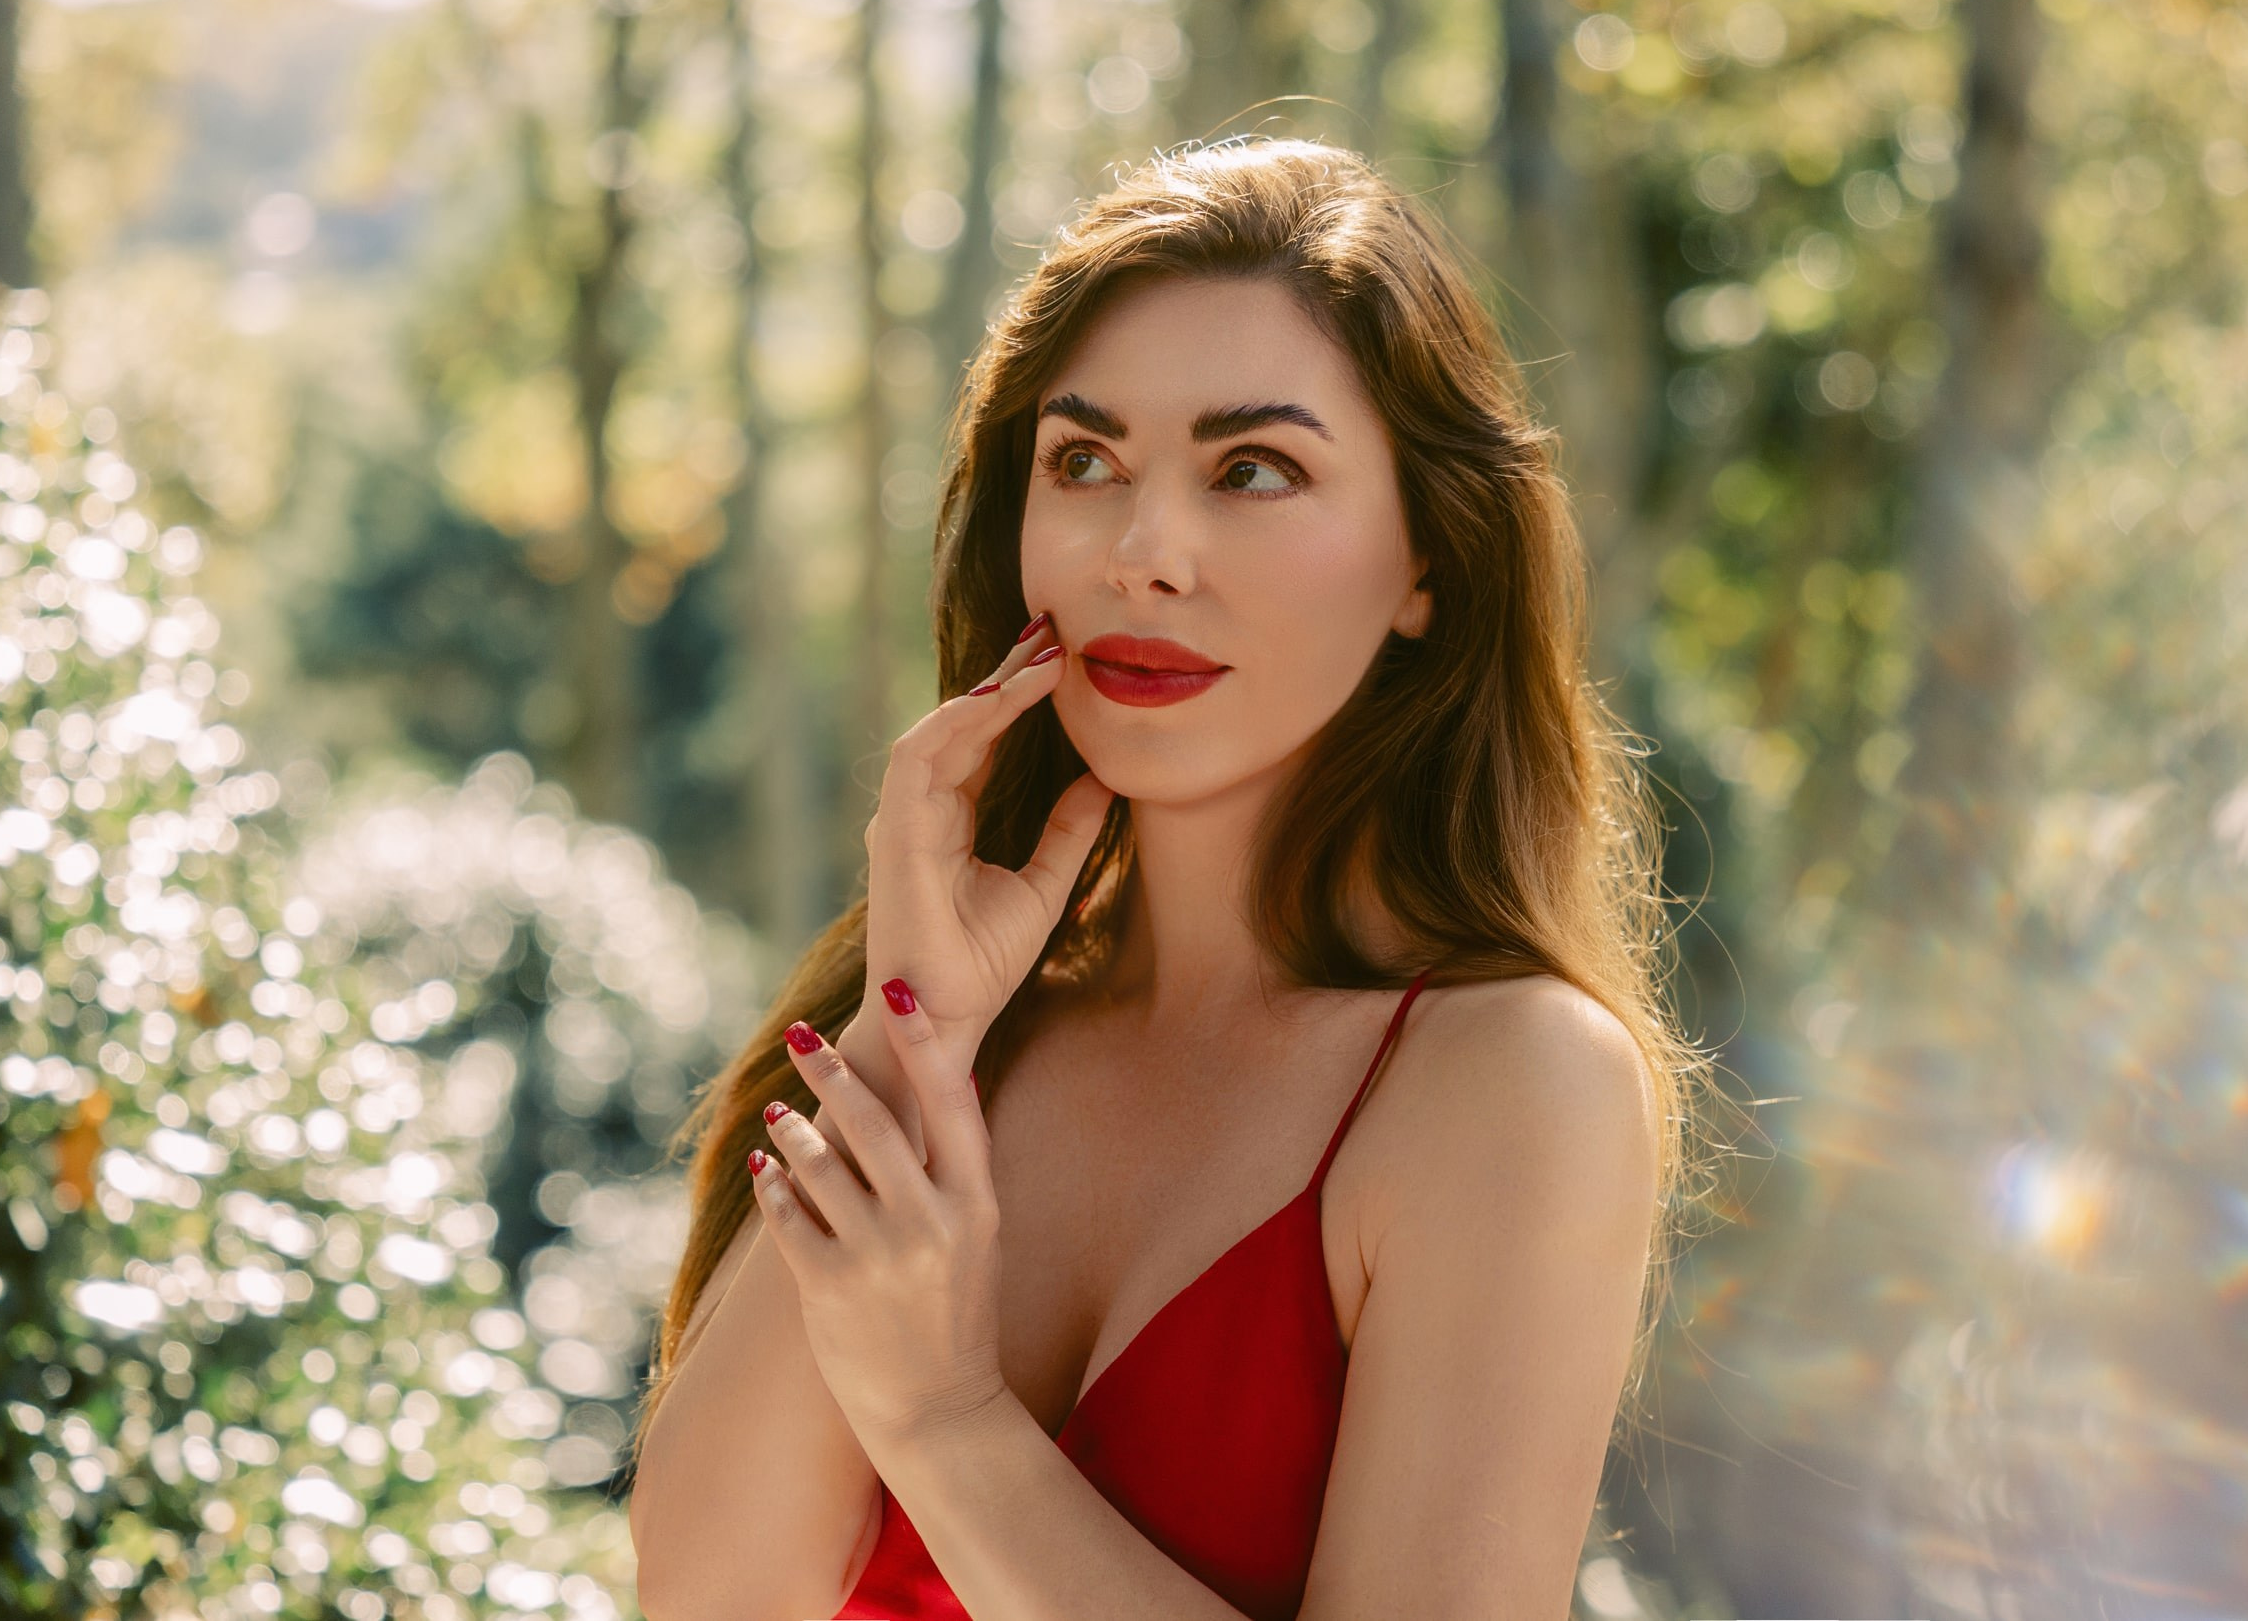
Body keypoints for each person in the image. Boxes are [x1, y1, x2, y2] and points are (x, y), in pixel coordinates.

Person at [628, 135, 1704, 1621]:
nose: (1143, 550)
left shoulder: (1510, 1084)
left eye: (1252, 470)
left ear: (1426, 566)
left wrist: (946, 1417)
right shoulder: (966, 1031)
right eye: (1085, 463)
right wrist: (910, 1020)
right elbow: (711, 1596)